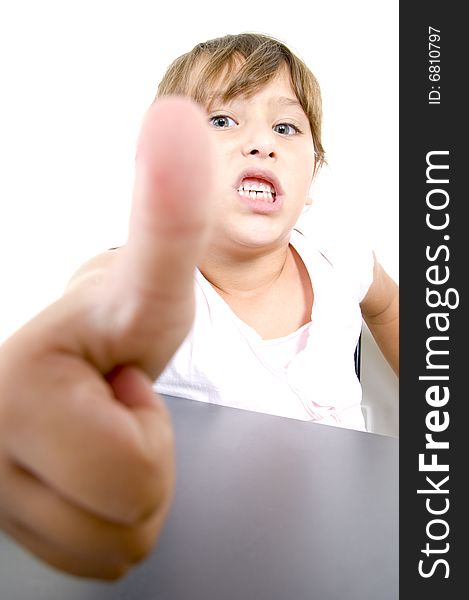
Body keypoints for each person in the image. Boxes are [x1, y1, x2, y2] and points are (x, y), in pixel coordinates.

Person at [0, 33, 398, 580]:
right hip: (206, 566)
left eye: (286, 127)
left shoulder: (338, 256)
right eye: (222, 121)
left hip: (347, 549)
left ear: (312, 179)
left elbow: (391, 309)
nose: (262, 143)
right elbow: (98, 294)